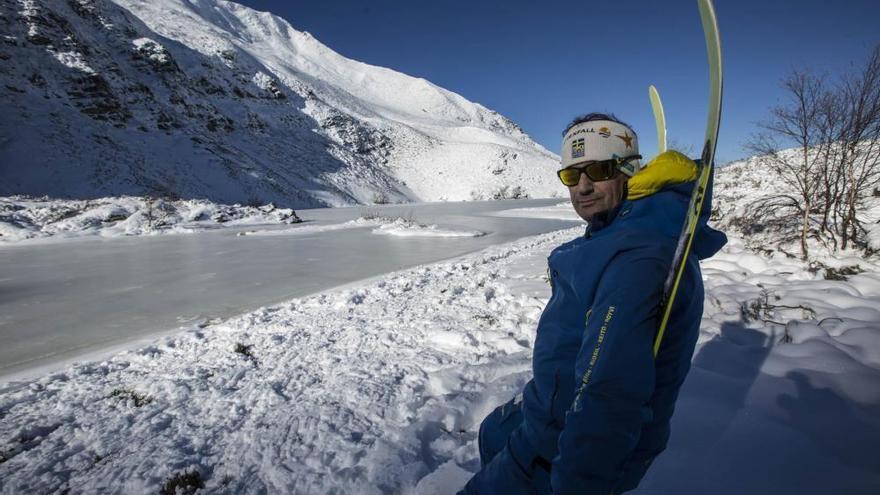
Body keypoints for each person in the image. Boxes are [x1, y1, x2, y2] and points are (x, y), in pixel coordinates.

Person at [460, 113, 727, 494]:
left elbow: (609, 395)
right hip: (544, 421)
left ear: (628, 172)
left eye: (598, 170)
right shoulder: (619, 232)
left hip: (555, 455)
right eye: (572, 175)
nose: (582, 187)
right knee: (493, 431)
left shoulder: (636, 261)